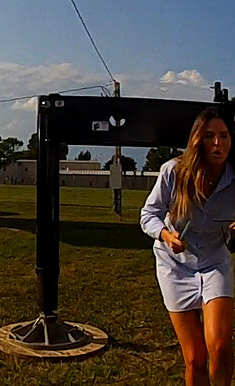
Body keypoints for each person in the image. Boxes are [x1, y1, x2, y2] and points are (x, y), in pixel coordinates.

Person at [140, 107, 235, 386]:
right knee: (194, 358)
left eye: (224, 136)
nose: (217, 144)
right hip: (174, 265)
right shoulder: (174, 171)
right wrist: (166, 236)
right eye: (209, 136)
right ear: (197, 140)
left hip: (214, 261)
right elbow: (148, 215)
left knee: (220, 347)